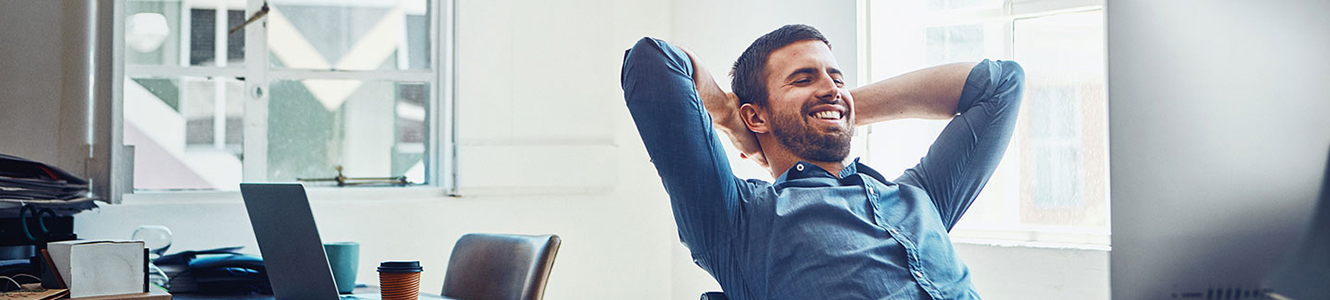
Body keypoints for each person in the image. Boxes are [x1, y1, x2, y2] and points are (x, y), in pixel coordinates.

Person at [621, 24, 1024, 299]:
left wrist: (836, 108)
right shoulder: (737, 219)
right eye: (803, 78)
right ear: (755, 115)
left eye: (837, 77)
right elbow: (652, 62)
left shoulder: (917, 197)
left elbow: (1002, 83)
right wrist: (729, 115)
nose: (831, 87)